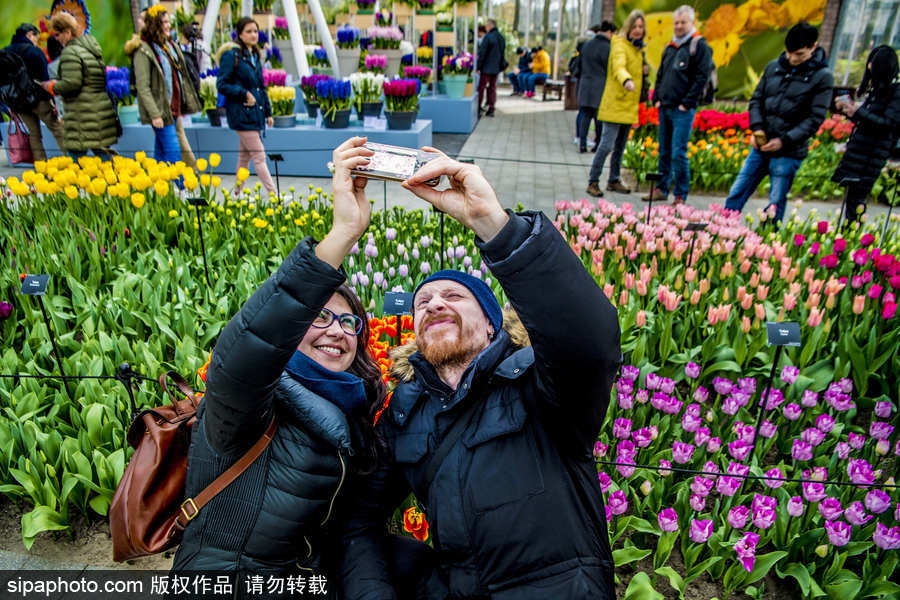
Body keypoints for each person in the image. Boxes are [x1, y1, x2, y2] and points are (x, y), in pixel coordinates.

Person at [338, 148, 622, 599]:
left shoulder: (539, 384)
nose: (433, 304)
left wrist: (493, 223)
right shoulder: (405, 415)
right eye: (422, 304)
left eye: (454, 295)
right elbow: (359, 518)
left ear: (491, 324)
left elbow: (590, 341)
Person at [172, 137, 394, 583]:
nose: (337, 331)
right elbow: (250, 344)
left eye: (350, 325)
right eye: (320, 317)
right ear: (290, 330)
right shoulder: (247, 402)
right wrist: (343, 235)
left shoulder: (356, 411)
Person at [724, 22, 833, 223]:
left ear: (813, 47)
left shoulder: (822, 77)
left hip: (788, 152)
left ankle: (767, 244)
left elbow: (814, 119)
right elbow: (756, 100)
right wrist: (757, 129)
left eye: (799, 54)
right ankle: (722, 231)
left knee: (775, 202)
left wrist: (784, 141)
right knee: (737, 192)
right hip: (761, 146)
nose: (792, 59)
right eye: (789, 52)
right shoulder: (774, 67)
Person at [645, 5, 713, 205]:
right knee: (664, 150)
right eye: (676, 22)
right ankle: (662, 188)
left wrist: (687, 102)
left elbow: (702, 76)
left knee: (678, 152)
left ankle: (681, 194)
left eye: (683, 22)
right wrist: (656, 97)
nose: (679, 26)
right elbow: (661, 73)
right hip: (665, 105)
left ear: (691, 23)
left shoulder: (698, 45)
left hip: (682, 109)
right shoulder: (671, 46)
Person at [831, 46, 900, 224]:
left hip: (871, 155)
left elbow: (887, 124)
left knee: (856, 203)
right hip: (859, 152)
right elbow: (868, 121)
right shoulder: (876, 90)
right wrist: (849, 111)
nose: (869, 68)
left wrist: (858, 111)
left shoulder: (895, 92)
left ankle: (852, 244)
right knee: (851, 201)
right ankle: (848, 242)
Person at [130, 5, 201, 167]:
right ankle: (183, 187)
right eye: (164, 22)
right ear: (155, 25)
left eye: (168, 21)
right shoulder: (144, 51)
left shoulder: (169, 46)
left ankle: (158, 186)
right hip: (161, 110)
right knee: (173, 149)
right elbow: (143, 87)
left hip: (173, 107)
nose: (168, 25)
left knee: (161, 151)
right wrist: (155, 114)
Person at [586, 9, 646, 197]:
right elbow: (619, 66)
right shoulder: (620, 45)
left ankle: (613, 179)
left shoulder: (637, 49)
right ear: (627, 27)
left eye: (641, 27)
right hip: (615, 104)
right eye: (634, 26)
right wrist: (626, 80)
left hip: (628, 106)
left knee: (620, 147)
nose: (637, 30)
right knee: (606, 145)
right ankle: (593, 181)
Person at [46, 12, 119, 160]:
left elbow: (72, 83)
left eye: (58, 34)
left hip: (81, 114)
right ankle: (115, 181)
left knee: (75, 159)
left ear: (67, 32)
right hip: (99, 110)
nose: (57, 38)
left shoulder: (70, 53)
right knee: (102, 154)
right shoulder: (91, 47)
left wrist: (52, 87)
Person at [217, 17, 277, 196]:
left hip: (255, 114)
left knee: (244, 158)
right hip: (241, 114)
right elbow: (222, 84)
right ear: (240, 34)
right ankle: (274, 195)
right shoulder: (232, 56)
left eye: (256, 31)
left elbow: (261, 87)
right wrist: (243, 93)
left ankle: (237, 193)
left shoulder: (255, 56)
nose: (253, 35)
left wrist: (268, 112)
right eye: (249, 31)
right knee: (259, 156)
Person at [4, 23, 65, 160]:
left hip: (18, 103)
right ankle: (72, 160)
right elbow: (46, 77)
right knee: (57, 129)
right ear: (29, 34)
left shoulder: (5, 52)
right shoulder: (34, 51)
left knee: (34, 134)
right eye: (36, 38)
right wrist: (52, 101)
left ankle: (41, 166)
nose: (37, 41)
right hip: (39, 100)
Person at [576, 21, 616, 153]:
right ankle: (597, 144)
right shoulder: (608, 48)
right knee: (598, 117)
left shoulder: (586, 45)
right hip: (600, 86)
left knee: (585, 116)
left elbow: (579, 66)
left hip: (585, 84)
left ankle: (582, 143)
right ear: (609, 32)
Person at [476, 18, 506, 117]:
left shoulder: (487, 37)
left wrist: (478, 67)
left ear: (489, 26)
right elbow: (502, 54)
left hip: (486, 68)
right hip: (496, 68)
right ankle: (491, 109)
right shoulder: (501, 38)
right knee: (492, 88)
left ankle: (478, 108)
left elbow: (482, 53)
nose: (485, 28)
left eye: (486, 26)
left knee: (481, 88)